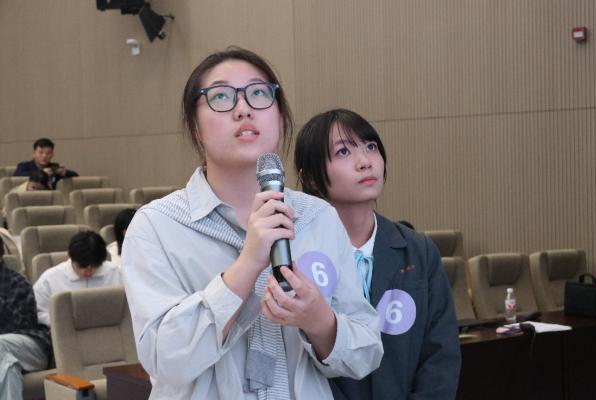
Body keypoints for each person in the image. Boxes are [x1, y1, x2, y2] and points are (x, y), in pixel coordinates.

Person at [122, 48, 383, 400]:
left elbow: (366, 353)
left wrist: (320, 321)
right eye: (221, 97)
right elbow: (164, 360)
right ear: (194, 126)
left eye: (259, 93)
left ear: (280, 116)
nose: (243, 108)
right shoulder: (156, 226)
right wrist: (247, 265)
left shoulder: (318, 216)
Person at [295, 109, 461, 400]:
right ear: (310, 178)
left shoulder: (417, 250)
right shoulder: (298, 254)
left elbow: (440, 355)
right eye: (343, 151)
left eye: (371, 147)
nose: (365, 162)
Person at [34, 231, 122, 327]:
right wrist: (59, 321)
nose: (87, 272)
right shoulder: (50, 278)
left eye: (94, 267)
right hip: (66, 329)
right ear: (70, 256)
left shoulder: (115, 272)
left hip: (108, 328)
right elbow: (37, 311)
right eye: (81, 267)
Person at [0, 238, 51, 400]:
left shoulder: (17, 282)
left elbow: (21, 325)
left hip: (31, 345)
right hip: (6, 357)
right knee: (8, 368)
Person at [14, 138, 79, 189]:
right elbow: (18, 175)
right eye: (41, 152)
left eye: (48, 153)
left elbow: (76, 176)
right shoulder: (24, 165)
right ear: (34, 153)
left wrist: (65, 173)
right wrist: (42, 173)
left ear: (52, 154)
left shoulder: (54, 166)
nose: (44, 156)